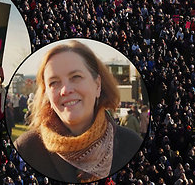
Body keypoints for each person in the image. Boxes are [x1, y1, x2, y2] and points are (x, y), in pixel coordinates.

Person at [14, 40, 142, 183]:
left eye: (76, 77)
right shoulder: (26, 148)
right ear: (46, 94)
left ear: (97, 85)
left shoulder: (131, 144)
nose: (65, 90)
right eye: (54, 82)